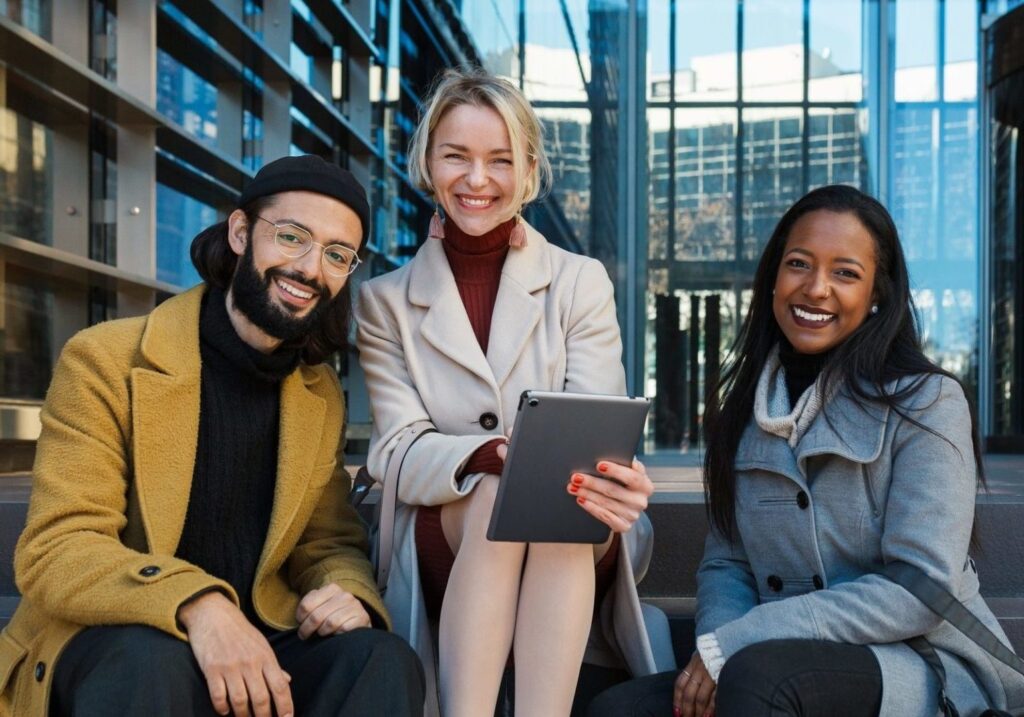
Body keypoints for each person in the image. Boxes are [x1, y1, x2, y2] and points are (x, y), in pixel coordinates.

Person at [0, 155, 424, 717]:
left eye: (336, 254)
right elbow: (58, 548)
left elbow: (328, 543)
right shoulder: (106, 359)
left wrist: (345, 591)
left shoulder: (316, 392)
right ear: (242, 232)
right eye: (292, 236)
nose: (309, 267)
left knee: (381, 658)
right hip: (122, 635)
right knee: (151, 662)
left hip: (261, 631)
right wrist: (199, 604)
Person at [587, 185, 1024, 717]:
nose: (816, 288)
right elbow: (728, 565)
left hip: (919, 663)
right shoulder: (744, 411)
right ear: (773, 277)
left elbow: (922, 584)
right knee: (619, 709)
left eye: (845, 273)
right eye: (799, 264)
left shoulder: (927, 402)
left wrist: (741, 644)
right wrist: (718, 651)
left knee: (760, 679)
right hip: (772, 663)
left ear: (877, 295)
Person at [355, 67, 676, 717]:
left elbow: (595, 435)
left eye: (499, 160)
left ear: (528, 168)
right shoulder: (382, 301)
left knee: (556, 496)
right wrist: (486, 456)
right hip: (446, 524)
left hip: (575, 528)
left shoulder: (579, 282)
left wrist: (618, 476)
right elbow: (396, 451)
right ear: (427, 161)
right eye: (456, 157)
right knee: (505, 489)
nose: (477, 180)